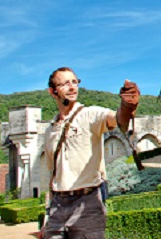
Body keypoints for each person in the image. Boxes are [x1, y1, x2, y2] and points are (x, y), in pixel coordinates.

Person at [42, 67, 139, 239]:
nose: (72, 87)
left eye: (74, 82)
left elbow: (117, 120)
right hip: (57, 204)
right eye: (65, 83)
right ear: (53, 91)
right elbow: (52, 176)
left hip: (87, 202)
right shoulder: (50, 130)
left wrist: (127, 106)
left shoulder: (90, 114)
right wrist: (47, 216)